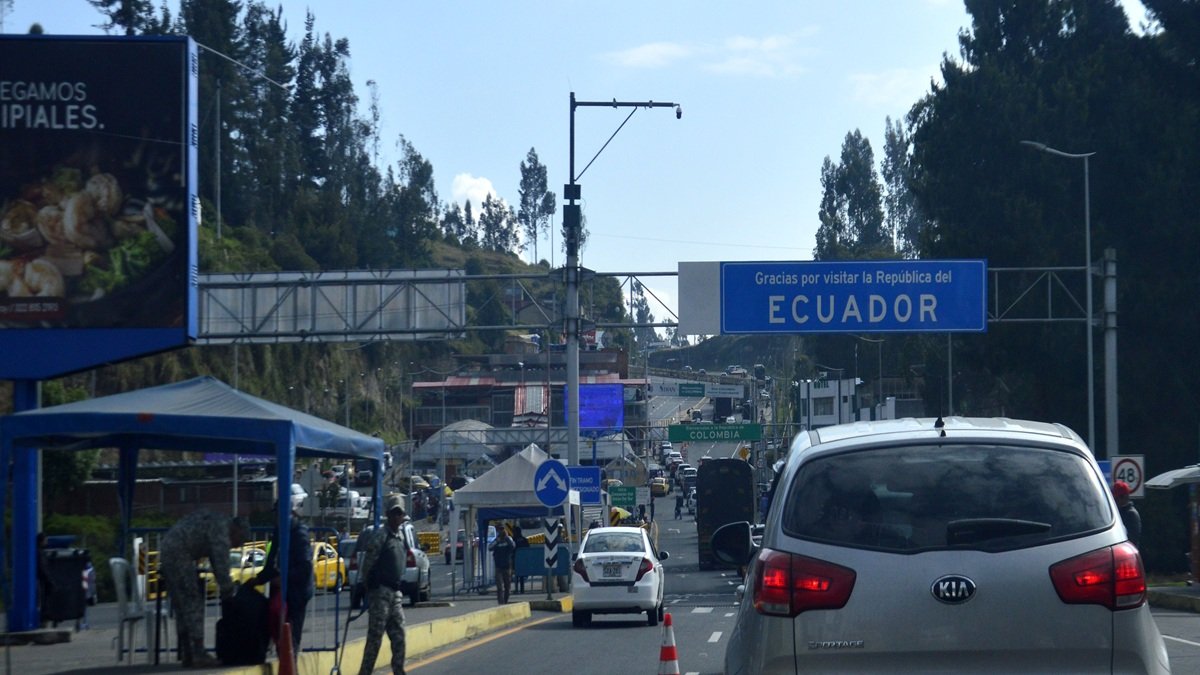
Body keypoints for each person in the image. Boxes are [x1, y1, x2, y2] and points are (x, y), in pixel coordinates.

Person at [159, 512, 249, 668]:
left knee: (182, 606)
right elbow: (221, 566)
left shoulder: (217, 522)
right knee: (193, 602)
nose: (237, 546)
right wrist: (229, 593)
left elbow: (216, 561)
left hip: (170, 549)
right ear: (236, 530)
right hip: (179, 552)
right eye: (240, 541)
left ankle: (188, 653)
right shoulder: (221, 530)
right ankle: (198, 653)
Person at [253, 496, 314, 656]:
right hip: (281, 591)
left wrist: (284, 579)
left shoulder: (299, 532)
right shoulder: (278, 532)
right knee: (278, 630)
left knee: (291, 635)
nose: (277, 518)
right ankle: (284, 661)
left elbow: (305, 568)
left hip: (297, 592)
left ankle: (290, 665)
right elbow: (271, 562)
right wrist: (258, 580)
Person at [357, 494, 409, 675]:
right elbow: (367, 565)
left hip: (395, 594)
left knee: (399, 636)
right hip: (380, 593)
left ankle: (399, 670)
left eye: (399, 514)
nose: (396, 517)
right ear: (388, 514)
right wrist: (368, 588)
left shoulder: (400, 536)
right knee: (375, 639)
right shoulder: (381, 536)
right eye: (393, 513)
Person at [488, 524, 515, 604]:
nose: (501, 531)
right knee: (499, 587)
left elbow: (513, 546)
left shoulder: (508, 539)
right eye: (499, 530)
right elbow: (490, 548)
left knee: (507, 586)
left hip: (507, 566)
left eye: (502, 529)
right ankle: (501, 602)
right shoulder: (496, 540)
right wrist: (497, 540)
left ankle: (505, 601)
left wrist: (506, 538)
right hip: (498, 567)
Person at [1112, 480, 1142, 547]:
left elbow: (1132, 539)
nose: (1115, 501)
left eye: (1116, 498)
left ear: (1125, 497)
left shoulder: (1131, 514)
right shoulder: (1116, 512)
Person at [36, 532, 54, 627]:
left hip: (43, 579)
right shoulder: (39, 553)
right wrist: (48, 579)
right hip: (43, 580)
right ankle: (44, 619)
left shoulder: (40, 552)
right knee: (44, 600)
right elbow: (42, 567)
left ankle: (44, 619)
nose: (46, 542)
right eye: (45, 540)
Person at [511, 525, 529, 594]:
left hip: (516, 559)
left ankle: (516, 589)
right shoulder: (524, 539)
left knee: (517, 575)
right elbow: (528, 548)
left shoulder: (514, 539)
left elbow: (512, 548)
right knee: (521, 575)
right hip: (523, 559)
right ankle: (522, 589)